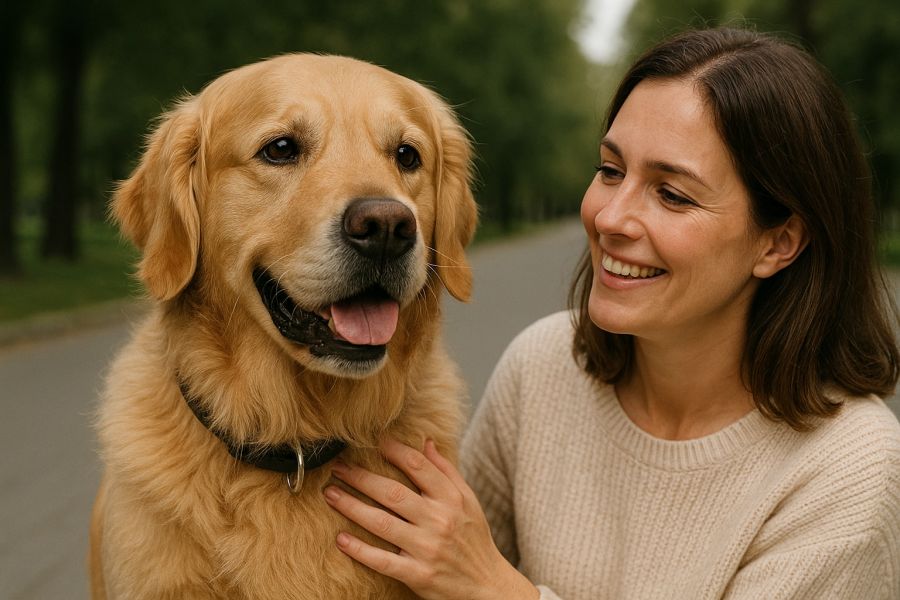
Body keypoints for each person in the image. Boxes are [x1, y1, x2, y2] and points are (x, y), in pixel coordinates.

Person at [322, 26, 900, 599]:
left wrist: (501, 592)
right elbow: (440, 571)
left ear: (777, 243)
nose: (609, 217)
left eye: (672, 194)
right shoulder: (541, 367)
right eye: (611, 171)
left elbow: (472, 578)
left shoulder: (850, 471)